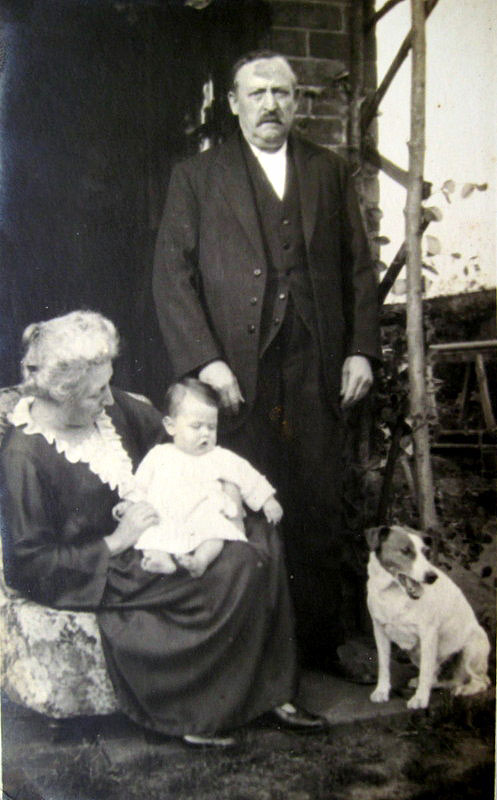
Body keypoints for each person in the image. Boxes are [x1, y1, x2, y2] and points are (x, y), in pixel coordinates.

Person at [0, 310, 326, 748]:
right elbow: (29, 564)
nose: (110, 400)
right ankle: (204, 712)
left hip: (163, 529)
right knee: (238, 565)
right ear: (64, 393)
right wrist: (117, 540)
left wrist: (225, 486)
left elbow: (181, 447)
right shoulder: (27, 455)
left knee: (259, 531)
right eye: (98, 392)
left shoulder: (112, 412)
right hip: (101, 567)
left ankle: (274, 692)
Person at [153, 51, 382, 671]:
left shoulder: (328, 171)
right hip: (238, 372)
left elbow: (359, 270)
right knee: (241, 505)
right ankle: (250, 654)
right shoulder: (197, 177)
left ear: (297, 101)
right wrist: (208, 361)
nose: (271, 104)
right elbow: (171, 278)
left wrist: (361, 349)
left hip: (316, 364)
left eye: (282, 92)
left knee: (314, 501)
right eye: (257, 93)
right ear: (233, 102)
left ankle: (318, 646)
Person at [126, 377, 283, 579]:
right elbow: (139, 484)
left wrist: (267, 500)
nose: (205, 434)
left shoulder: (218, 456)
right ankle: (159, 559)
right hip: (165, 514)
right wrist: (129, 503)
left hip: (202, 516)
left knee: (216, 530)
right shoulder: (159, 455)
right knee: (150, 531)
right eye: (196, 426)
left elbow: (248, 476)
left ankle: (200, 560)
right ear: (171, 426)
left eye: (211, 427)